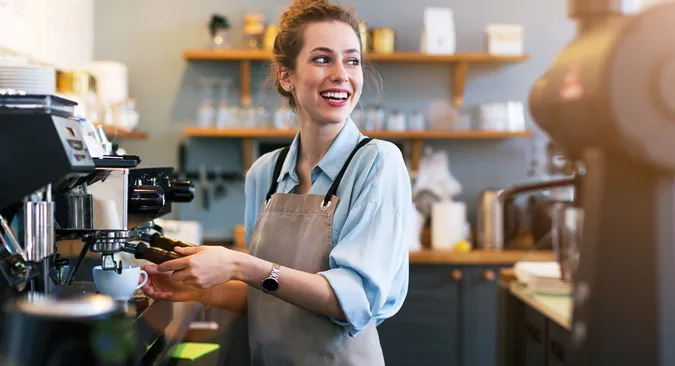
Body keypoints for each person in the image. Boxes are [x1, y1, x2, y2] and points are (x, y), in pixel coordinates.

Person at [141, 0, 412, 364]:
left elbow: (355, 302)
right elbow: (266, 294)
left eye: (352, 60)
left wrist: (239, 265)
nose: (341, 74)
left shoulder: (377, 162)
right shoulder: (265, 173)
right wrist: (193, 287)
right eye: (322, 59)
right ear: (287, 77)